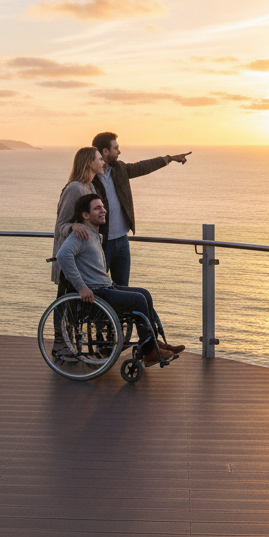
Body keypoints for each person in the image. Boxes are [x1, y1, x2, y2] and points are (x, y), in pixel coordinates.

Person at [55, 193, 184, 366]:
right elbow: (63, 255)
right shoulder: (80, 236)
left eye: (103, 207)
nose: (104, 211)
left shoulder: (96, 236)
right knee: (138, 300)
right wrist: (81, 287)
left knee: (144, 294)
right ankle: (150, 350)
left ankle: (152, 344)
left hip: (107, 287)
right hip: (96, 293)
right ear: (85, 215)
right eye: (97, 208)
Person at [90, 131, 191, 287]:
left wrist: (169, 158)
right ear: (105, 151)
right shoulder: (90, 178)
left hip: (122, 240)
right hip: (102, 242)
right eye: (116, 148)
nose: (119, 151)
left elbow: (143, 167)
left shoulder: (120, 169)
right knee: (98, 287)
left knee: (123, 289)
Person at [50, 147, 106, 293]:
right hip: (71, 258)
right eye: (100, 159)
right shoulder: (75, 188)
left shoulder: (91, 187)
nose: (103, 162)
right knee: (63, 306)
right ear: (89, 163)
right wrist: (73, 226)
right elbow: (60, 225)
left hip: (83, 260)